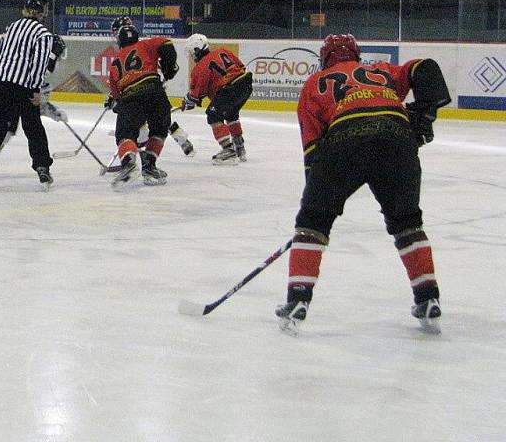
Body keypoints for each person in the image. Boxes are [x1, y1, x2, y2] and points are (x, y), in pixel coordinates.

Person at [275, 33, 450, 334]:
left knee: (313, 222)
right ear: (356, 55)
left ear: (324, 59)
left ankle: (298, 299)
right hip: (397, 137)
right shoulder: (382, 71)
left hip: (344, 139)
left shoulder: (312, 85)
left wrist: (317, 204)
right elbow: (425, 67)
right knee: (407, 222)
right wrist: (426, 113)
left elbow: (312, 151)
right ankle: (428, 297)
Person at [0, 0, 57, 189]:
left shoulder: (11, 27)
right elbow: (38, 63)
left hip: (0, 83)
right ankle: (42, 168)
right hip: (23, 87)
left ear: (25, 7)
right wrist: (35, 89)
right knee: (33, 128)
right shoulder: (43, 34)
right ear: (43, 10)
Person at [109, 16, 195, 160]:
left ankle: (136, 147)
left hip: (145, 86)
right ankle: (181, 140)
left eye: (116, 32)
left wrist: (116, 98)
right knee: (160, 119)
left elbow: (122, 79)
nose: (115, 36)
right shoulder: (144, 46)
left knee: (144, 120)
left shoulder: (129, 51)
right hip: (154, 86)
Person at [105, 23, 178, 187]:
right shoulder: (145, 44)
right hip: (155, 91)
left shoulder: (115, 62)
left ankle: (129, 162)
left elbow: (117, 94)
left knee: (125, 134)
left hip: (131, 96)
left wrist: (119, 105)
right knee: (159, 130)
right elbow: (167, 44)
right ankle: (150, 166)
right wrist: (168, 68)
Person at [181, 34, 252, 165]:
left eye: (192, 53)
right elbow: (240, 66)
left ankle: (228, 150)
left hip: (229, 89)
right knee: (230, 113)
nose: (192, 56)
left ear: (197, 50)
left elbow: (197, 93)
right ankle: (240, 148)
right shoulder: (223, 51)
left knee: (213, 114)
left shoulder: (200, 67)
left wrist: (188, 100)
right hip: (245, 84)